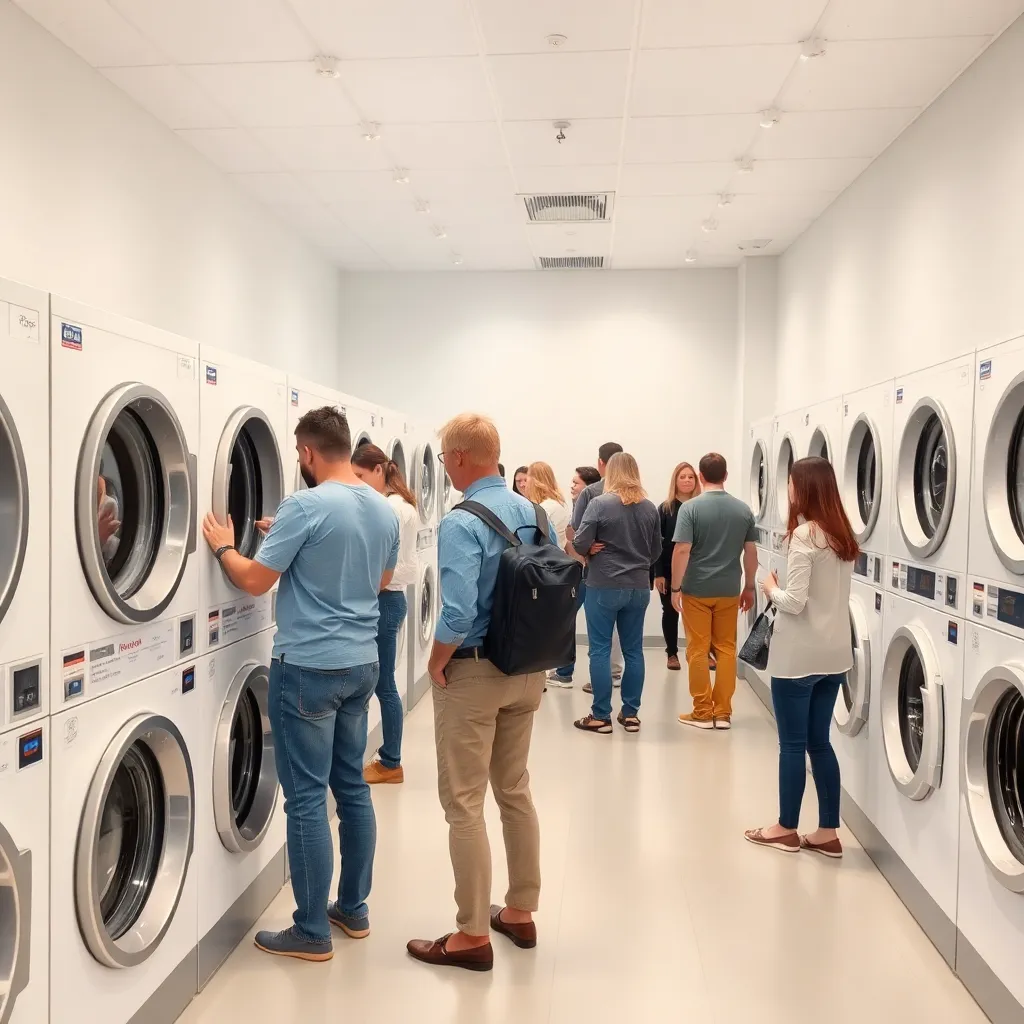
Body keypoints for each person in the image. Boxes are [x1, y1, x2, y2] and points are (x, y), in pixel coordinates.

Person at [201, 406, 399, 962]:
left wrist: (223, 545)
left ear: (308, 453)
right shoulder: (381, 509)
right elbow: (378, 579)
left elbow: (254, 579)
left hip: (309, 667)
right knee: (352, 789)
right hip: (362, 665)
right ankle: (352, 910)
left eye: (296, 454)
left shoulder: (304, 506)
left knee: (308, 800)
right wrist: (287, 539)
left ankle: (311, 930)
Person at [407, 413, 556, 973]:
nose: (444, 468)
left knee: (464, 803)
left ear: (462, 458)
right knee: (515, 790)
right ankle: (520, 910)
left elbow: (459, 610)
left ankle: (470, 935)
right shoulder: (535, 512)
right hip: (528, 669)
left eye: (445, 459)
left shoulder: (462, 520)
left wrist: (435, 663)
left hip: (473, 672)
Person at [744, 457, 857, 857]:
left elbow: (793, 602)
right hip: (835, 656)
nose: (788, 491)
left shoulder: (805, 535)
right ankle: (828, 833)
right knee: (819, 743)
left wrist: (768, 586)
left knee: (791, 746)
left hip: (798, 659)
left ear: (803, 488)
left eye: (791, 484)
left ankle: (785, 828)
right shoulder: (843, 534)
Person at [571, 453, 661, 735]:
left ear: (610, 473)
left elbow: (579, 540)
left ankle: (601, 716)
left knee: (599, 649)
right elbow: (656, 550)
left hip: (604, 584)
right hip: (638, 587)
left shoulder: (599, 503)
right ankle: (631, 715)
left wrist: (590, 548)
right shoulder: (649, 508)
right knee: (634, 650)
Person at [671, 453, 757, 731]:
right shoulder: (743, 510)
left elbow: (682, 549)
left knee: (697, 650)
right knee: (726, 649)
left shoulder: (691, 509)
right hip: (729, 589)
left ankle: (702, 711)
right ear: (726, 476)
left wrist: (675, 587)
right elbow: (751, 552)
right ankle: (723, 713)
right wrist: (750, 586)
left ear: (701, 476)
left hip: (697, 589)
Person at [351, 444, 418, 785]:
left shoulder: (389, 508)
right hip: (392, 601)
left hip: (385, 601)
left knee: (384, 686)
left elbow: (378, 564)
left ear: (379, 470)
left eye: (361, 476)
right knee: (384, 684)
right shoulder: (403, 503)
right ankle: (388, 758)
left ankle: (391, 761)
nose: (359, 483)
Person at [568, 443, 625, 694]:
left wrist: (587, 547)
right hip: (632, 578)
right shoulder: (638, 495)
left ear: (601, 463)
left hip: (599, 573)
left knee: (599, 638)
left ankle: (601, 703)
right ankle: (629, 707)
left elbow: (576, 532)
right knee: (631, 646)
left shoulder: (592, 493)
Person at [546, 465, 601, 689]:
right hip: (583, 573)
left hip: (586, 575)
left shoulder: (590, 506)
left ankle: (566, 672)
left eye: (576, 482)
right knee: (582, 625)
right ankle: (567, 671)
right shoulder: (583, 505)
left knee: (569, 621)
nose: (571, 486)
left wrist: (579, 544)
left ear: (588, 487)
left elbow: (578, 541)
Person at [652, 462, 704, 672]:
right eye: (682, 477)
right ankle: (672, 653)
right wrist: (658, 573)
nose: (686, 480)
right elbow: (656, 543)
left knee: (698, 612)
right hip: (669, 568)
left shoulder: (701, 507)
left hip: (697, 569)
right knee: (670, 611)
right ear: (675, 480)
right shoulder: (665, 509)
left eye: (690, 477)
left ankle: (703, 651)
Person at [524, 462, 571, 548]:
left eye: (526, 480)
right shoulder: (558, 504)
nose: (524, 485)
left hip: (545, 557)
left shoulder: (545, 508)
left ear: (533, 482)